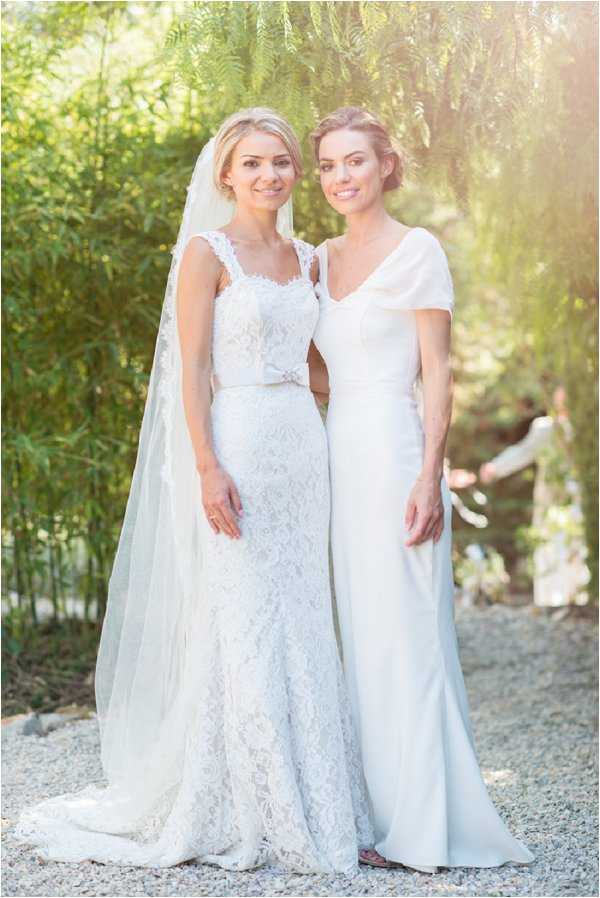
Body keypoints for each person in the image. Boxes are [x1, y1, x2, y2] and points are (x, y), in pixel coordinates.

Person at [12, 108, 373, 872]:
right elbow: (192, 370)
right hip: (237, 441)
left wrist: (377, 392)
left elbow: (317, 365)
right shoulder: (207, 255)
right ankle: (247, 802)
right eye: (252, 164)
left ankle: (318, 800)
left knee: (304, 615)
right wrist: (208, 465)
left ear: (294, 173)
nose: (268, 175)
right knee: (243, 619)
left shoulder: (309, 257)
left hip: (302, 451)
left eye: (280, 162)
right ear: (226, 175)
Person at [308, 106, 535, 872]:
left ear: (385, 166)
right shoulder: (318, 260)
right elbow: (313, 365)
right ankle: (376, 817)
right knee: (363, 638)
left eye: (356, 162)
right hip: (337, 456)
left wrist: (429, 475)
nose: (343, 177)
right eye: (330, 165)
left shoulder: (418, 250)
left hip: (398, 450)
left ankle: (427, 826)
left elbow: (440, 372)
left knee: (408, 633)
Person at [480, 385, 589, 607]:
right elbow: (523, 452)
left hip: (577, 496)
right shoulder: (546, 428)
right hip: (552, 496)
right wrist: (495, 467)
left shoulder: (585, 428)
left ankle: (574, 596)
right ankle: (553, 599)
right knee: (551, 541)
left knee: (573, 542)